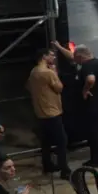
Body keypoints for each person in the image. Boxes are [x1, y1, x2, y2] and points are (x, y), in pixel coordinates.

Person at [52, 41, 98, 167]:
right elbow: (73, 56)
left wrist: (85, 90)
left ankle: (96, 160)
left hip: (93, 105)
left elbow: (90, 79)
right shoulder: (94, 61)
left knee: (93, 132)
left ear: (81, 57)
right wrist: (59, 47)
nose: (74, 60)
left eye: (76, 58)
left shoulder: (87, 66)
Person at [27, 47, 69, 179]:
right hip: (52, 112)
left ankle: (48, 165)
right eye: (51, 55)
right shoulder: (48, 72)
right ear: (44, 57)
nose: (54, 58)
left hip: (40, 112)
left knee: (45, 141)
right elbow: (59, 88)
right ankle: (64, 169)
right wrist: (55, 73)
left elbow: (28, 86)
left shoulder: (33, 72)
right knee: (61, 141)